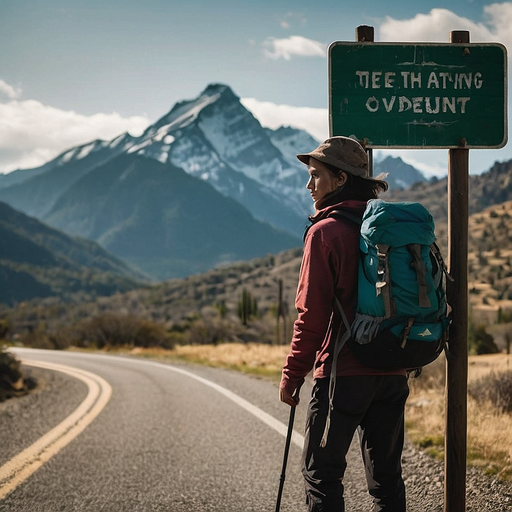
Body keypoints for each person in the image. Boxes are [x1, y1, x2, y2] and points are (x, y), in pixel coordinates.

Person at [279, 136, 409, 512]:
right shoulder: (386, 229)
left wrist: (292, 375)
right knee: (387, 478)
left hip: (342, 375)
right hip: (392, 370)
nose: (308, 185)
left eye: (315, 175)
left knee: (322, 472)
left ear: (339, 180)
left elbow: (311, 316)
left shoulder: (325, 232)